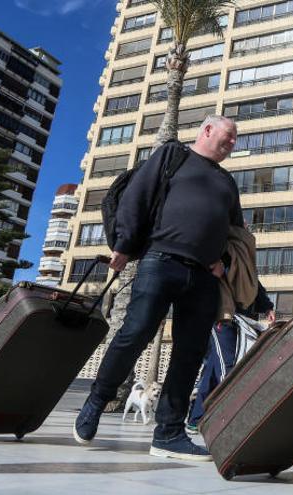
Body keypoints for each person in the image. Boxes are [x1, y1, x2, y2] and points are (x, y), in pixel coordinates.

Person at [73, 115, 241, 462]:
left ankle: (168, 433)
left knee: (189, 354)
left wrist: (224, 261)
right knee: (134, 333)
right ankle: (97, 399)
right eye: (229, 136)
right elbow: (138, 195)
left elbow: (236, 232)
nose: (233, 143)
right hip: (160, 261)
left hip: (204, 278)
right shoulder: (172, 156)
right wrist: (123, 244)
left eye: (235, 139)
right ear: (206, 129)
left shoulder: (228, 182)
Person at [186, 282, 275, 433]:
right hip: (224, 317)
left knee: (213, 370)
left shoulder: (245, 260)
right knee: (228, 369)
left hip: (241, 321)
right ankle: (230, 419)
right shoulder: (226, 258)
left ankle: (195, 419)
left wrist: (267, 307)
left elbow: (251, 281)